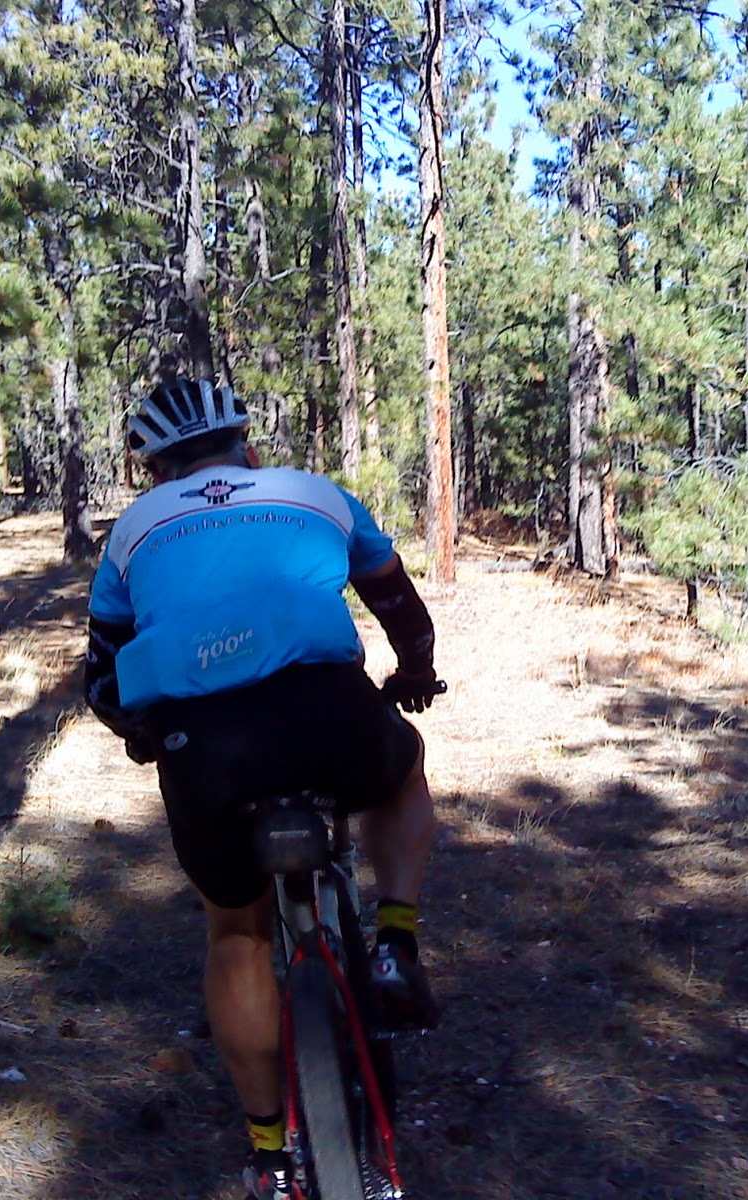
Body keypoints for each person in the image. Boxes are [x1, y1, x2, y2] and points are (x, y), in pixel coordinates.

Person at [83, 376, 445, 1200]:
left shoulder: (132, 533)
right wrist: (415, 677)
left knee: (235, 937)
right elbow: (401, 609)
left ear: (152, 472)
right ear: (248, 448)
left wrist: (140, 734)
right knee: (401, 768)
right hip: (330, 714)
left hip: (207, 748)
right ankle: (393, 944)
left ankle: (270, 1160)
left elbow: (102, 676)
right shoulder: (317, 495)